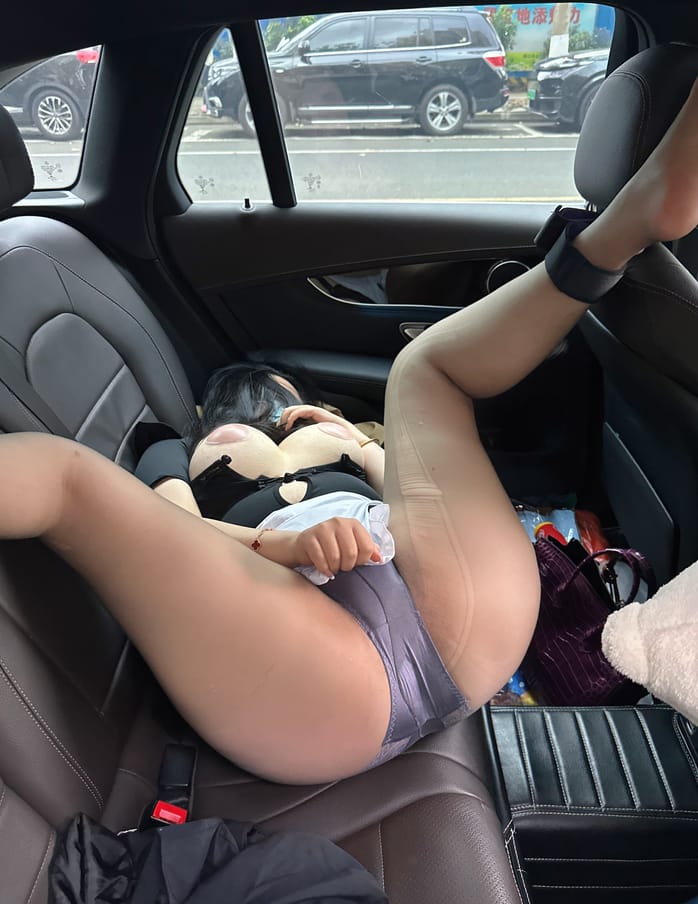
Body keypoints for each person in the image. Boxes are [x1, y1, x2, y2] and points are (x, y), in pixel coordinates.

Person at [3, 79, 698, 786]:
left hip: (459, 612)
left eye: (284, 404)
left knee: (420, 370)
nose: (273, 418)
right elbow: (170, 535)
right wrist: (279, 545)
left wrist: (358, 441)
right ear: (212, 419)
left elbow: (415, 499)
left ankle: (626, 223)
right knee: (67, 478)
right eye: (252, 408)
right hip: (317, 677)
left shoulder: (336, 438)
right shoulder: (172, 449)